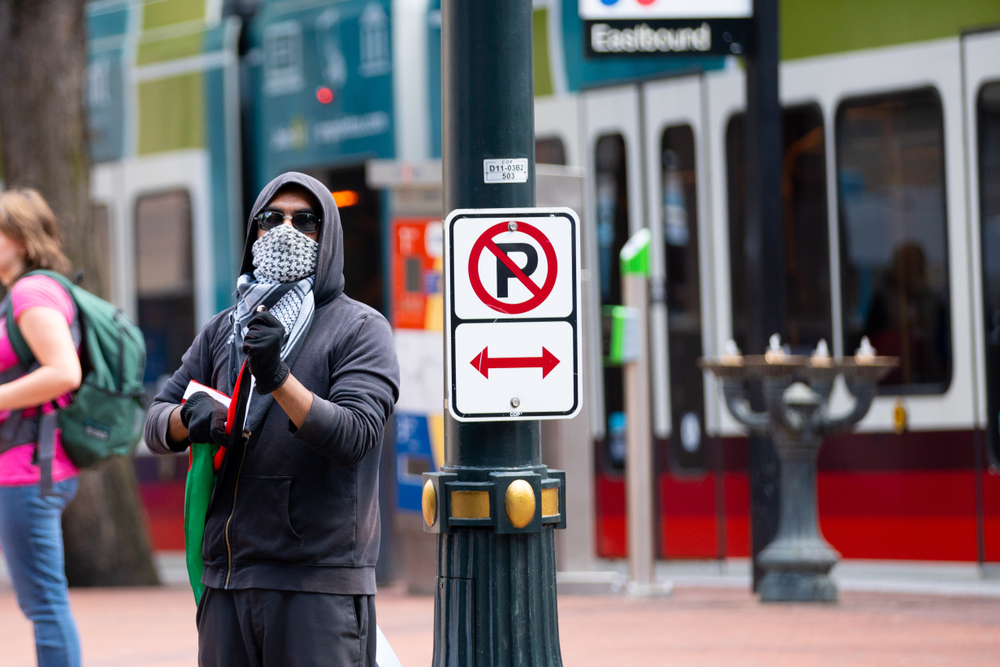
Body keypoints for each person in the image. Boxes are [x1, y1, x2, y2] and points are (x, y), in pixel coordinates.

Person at [144, 172, 399, 667]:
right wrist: (185, 419)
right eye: (271, 218)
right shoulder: (224, 329)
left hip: (315, 585)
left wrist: (278, 377)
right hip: (226, 581)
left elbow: (355, 436)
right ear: (253, 233)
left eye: (305, 221)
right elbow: (155, 422)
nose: (286, 229)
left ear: (327, 239)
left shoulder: (359, 328)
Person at [0, 189, 83, 667]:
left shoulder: (31, 292)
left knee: (44, 604)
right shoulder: (35, 289)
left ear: (21, 238)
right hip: (37, 465)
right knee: (44, 602)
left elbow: (64, 372)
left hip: (28, 472)